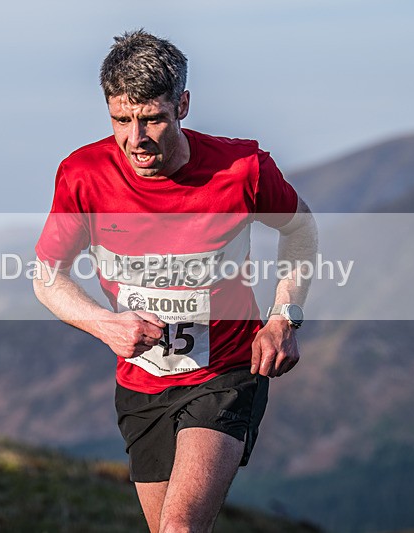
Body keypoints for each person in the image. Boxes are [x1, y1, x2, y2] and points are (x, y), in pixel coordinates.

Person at [33, 29, 318, 532]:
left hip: (227, 371)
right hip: (142, 383)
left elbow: (300, 229)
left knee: (179, 529)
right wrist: (105, 325)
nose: (135, 139)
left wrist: (283, 317)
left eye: (152, 119)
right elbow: (47, 276)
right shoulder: (83, 175)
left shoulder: (242, 169)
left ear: (182, 105)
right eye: (121, 120)